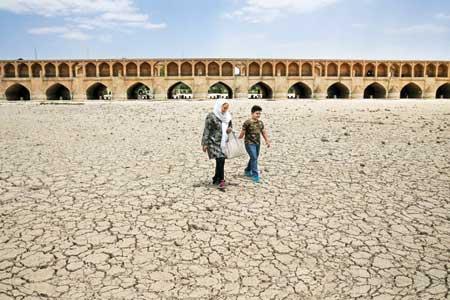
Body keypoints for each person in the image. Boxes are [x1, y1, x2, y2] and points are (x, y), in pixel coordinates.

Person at [202, 99, 233, 189]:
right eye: (224, 108)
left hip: (224, 141)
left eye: (227, 108)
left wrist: (230, 129)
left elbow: (230, 126)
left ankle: (216, 178)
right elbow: (207, 130)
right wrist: (204, 143)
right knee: (220, 159)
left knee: (221, 160)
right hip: (213, 142)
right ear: (219, 106)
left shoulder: (228, 116)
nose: (225, 110)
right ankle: (221, 180)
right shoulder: (211, 116)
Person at [239, 105, 270, 183]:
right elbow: (242, 133)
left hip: (257, 143)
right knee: (254, 157)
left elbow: (263, 132)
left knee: (254, 158)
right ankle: (255, 175)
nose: (258, 115)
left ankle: (247, 170)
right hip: (249, 143)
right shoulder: (247, 122)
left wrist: (267, 140)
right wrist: (238, 140)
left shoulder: (260, 123)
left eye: (259, 114)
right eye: (257, 113)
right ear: (252, 113)